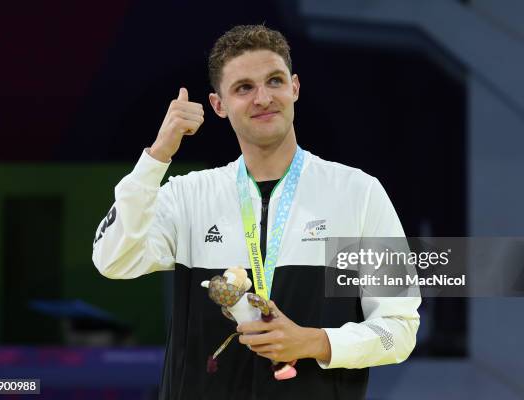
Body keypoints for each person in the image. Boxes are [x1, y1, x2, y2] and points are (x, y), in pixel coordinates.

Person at [92, 24, 420, 400]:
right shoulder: (187, 196)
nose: (263, 98)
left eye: (275, 81)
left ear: (294, 88)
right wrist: (156, 157)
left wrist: (314, 342)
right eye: (244, 88)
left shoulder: (358, 193)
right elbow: (112, 259)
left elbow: (399, 328)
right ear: (219, 105)